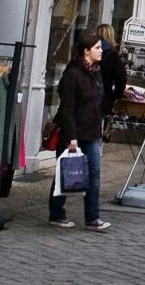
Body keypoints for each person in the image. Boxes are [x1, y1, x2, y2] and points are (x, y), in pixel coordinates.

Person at [46, 33, 108, 230]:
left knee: (94, 174)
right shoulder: (72, 75)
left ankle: (92, 217)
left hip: (92, 132)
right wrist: (71, 137)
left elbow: (97, 102)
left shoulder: (97, 72)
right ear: (86, 51)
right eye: (97, 48)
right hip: (74, 132)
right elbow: (67, 108)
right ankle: (56, 213)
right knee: (65, 173)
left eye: (101, 48)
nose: (101, 51)